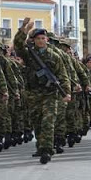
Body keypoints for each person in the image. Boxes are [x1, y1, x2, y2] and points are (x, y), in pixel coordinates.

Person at [13, 19, 71, 164]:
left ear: (47, 40)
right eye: (38, 38)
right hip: (33, 93)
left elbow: (63, 75)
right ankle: (40, 146)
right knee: (37, 121)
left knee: (48, 121)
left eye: (43, 38)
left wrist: (66, 92)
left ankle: (47, 149)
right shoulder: (29, 54)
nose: (40, 41)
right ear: (34, 40)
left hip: (50, 94)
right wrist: (23, 30)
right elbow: (18, 45)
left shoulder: (54, 56)